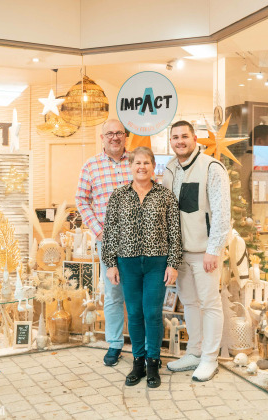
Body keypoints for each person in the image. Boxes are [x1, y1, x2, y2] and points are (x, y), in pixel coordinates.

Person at [102, 147, 182, 388]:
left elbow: (175, 232)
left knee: (152, 313)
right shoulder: (118, 196)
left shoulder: (165, 196)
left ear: (153, 165)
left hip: (157, 262)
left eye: (146, 162)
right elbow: (110, 232)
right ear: (131, 165)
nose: (142, 167)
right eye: (137, 162)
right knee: (135, 313)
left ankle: (153, 361)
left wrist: (173, 263)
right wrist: (111, 264)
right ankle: (138, 361)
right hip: (128, 262)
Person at [163, 120, 231, 382]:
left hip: (204, 253)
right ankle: (194, 352)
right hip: (179, 253)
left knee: (209, 304)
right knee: (190, 303)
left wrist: (213, 250)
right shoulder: (169, 168)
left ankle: (210, 359)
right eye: (175, 137)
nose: (179, 141)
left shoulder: (212, 167)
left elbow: (222, 215)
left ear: (194, 139)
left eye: (184, 136)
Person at [75, 119, 132, 366]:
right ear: (102, 138)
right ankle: (115, 344)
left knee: (139, 294)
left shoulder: (137, 162)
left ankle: (142, 347)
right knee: (113, 294)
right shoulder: (90, 166)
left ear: (125, 136)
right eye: (109, 133)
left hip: (138, 241)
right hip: (107, 240)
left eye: (119, 133)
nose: (114, 137)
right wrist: (99, 232)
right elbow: (81, 200)